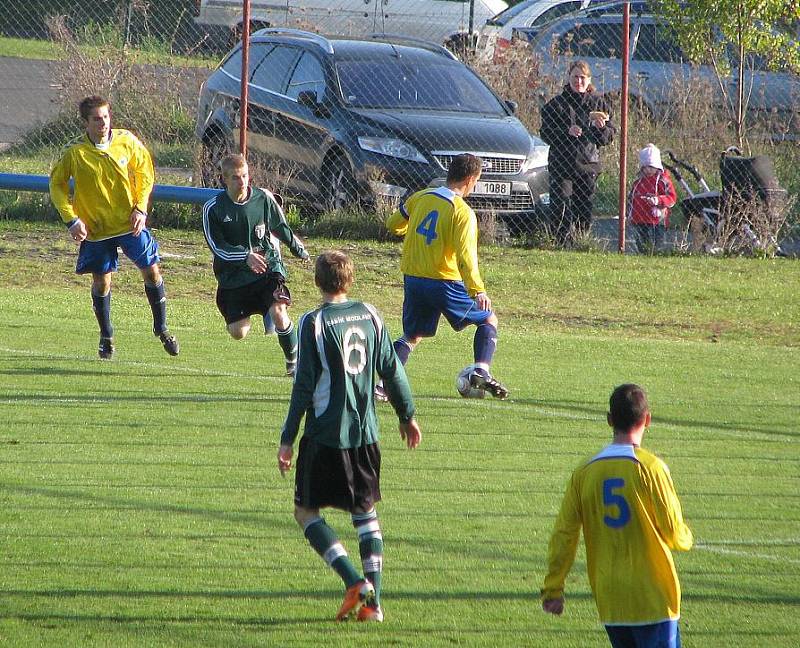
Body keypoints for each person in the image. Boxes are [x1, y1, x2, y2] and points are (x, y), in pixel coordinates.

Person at [277, 250, 421, 623]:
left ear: (317, 282)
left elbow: (303, 388)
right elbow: (392, 370)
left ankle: (355, 582)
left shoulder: (313, 324)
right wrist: (407, 415)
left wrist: (287, 438)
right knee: (365, 514)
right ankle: (373, 606)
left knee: (305, 512)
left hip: (326, 436)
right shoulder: (372, 315)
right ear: (350, 280)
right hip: (367, 437)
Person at [541, 384, 694, 648]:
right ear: (647, 419)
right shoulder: (651, 468)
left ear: (610, 420)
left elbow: (564, 534)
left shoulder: (584, 472)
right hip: (652, 595)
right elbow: (673, 533)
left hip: (610, 597)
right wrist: (686, 537)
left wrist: (554, 587)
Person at [49, 95, 179, 359]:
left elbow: (145, 172)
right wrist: (71, 219)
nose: (103, 123)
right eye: (97, 118)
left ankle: (162, 328)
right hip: (96, 230)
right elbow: (57, 186)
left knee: (152, 271)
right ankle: (106, 335)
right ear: (85, 122)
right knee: (102, 282)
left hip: (128, 223)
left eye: (106, 117)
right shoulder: (75, 152)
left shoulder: (126, 141)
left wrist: (141, 207)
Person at [383, 153, 509, 400]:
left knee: (412, 336)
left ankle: (382, 386)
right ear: (471, 179)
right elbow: (465, 257)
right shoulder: (462, 212)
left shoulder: (421, 197)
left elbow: (393, 224)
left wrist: (411, 231)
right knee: (488, 319)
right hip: (444, 282)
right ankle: (481, 370)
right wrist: (477, 290)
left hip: (414, 278)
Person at [202, 154, 309, 375]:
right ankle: (247, 316)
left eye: (245, 176)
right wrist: (245, 256)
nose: (242, 182)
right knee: (238, 332)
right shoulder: (213, 208)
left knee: (279, 311)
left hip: (266, 268)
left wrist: (299, 250)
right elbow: (217, 247)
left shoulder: (263, 198)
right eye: (235, 178)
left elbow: (280, 226)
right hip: (234, 276)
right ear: (223, 179)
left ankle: (294, 362)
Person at [540, 60, 616, 247]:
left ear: (589, 80)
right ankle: (560, 242)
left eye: (583, 78)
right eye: (575, 77)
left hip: (588, 163)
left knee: (584, 207)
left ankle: (582, 242)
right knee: (561, 206)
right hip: (562, 164)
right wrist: (566, 130)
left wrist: (601, 128)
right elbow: (545, 133)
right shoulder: (556, 105)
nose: (579, 81)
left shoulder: (599, 103)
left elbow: (608, 138)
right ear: (568, 78)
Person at [628, 143, 678, 254]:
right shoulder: (638, 183)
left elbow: (672, 198)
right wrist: (629, 215)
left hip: (657, 221)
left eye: (651, 167)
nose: (648, 170)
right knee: (642, 246)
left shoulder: (663, 181)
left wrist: (658, 200)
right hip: (639, 219)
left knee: (655, 247)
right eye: (645, 167)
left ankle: (655, 256)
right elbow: (631, 199)